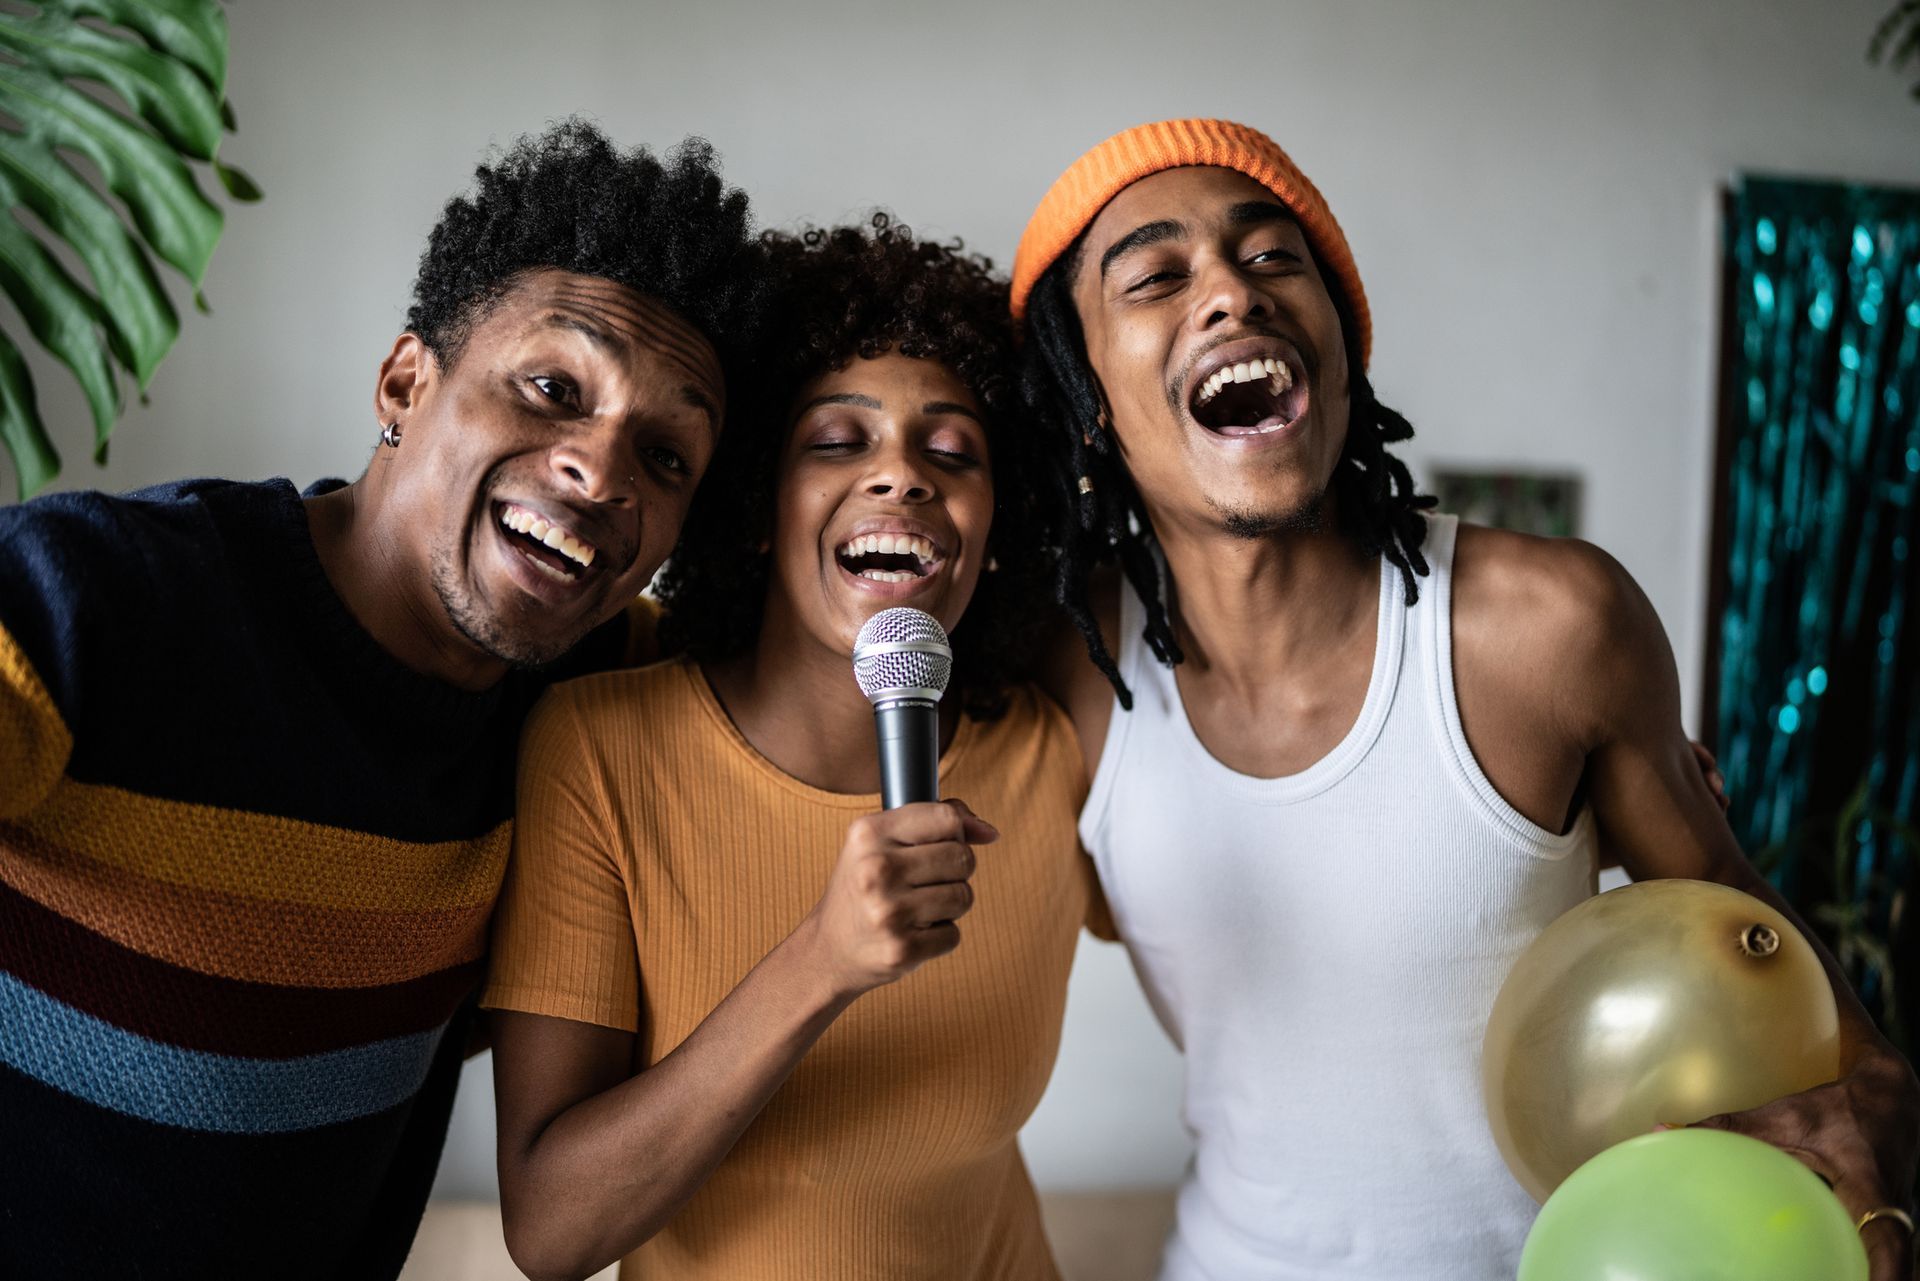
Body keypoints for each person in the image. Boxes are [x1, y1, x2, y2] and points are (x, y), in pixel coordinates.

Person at [1013, 119, 1920, 1280]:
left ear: (1343, 344)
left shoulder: (1549, 628)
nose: (1234, 295)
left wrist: (1866, 1123)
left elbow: (1773, 979)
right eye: (1156, 276)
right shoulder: (1073, 676)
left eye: (1275, 257)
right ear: (1084, 399)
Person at [0, 121, 765, 1280]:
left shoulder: (607, 699)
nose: (601, 473)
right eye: (554, 388)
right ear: (408, 381)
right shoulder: (99, 597)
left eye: (666, 458)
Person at [483, 216, 1089, 1281]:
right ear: (761, 503)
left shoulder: (1048, 753)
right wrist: (824, 962)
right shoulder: (601, 751)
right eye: (837, 441)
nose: (902, 477)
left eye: (953, 452)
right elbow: (551, 1231)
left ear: (995, 534)